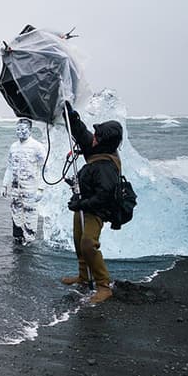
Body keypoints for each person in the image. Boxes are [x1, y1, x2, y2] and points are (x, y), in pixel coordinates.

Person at [62, 101, 123, 303]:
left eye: (97, 136)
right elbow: (81, 134)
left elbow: (104, 197)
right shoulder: (97, 147)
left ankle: (104, 286)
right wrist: (71, 116)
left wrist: (81, 204)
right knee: (79, 241)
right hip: (84, 204)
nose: (93, 137)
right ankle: (83, 276)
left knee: (88, 243)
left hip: (96, 210)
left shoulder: (108, 166)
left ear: (105, 141)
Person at [2, 118, 46, 244]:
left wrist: (41, 189)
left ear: (30, 130)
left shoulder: (37, 147)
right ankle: (17, 241)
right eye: (18, 129)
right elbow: (9, 167)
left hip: (30, 188)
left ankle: (30, 243)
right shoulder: (13, 147)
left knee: (30, 215)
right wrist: (5, 185)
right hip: (15, 188)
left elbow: (45, 168)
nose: (20, 132)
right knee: (16, 214)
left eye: (23, 129)